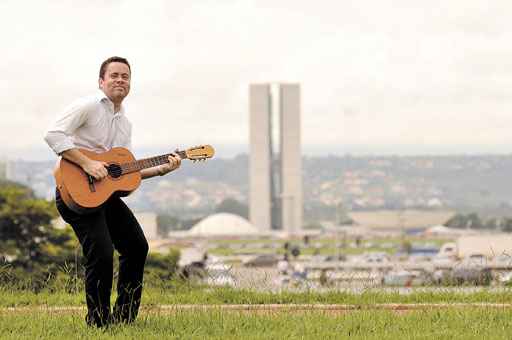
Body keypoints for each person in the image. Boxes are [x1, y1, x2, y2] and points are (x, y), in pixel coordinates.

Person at [44, 56, 181, 327]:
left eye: (125, 76)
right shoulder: (88, 106)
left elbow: (122, 172)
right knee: (102, 253)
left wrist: (161, 169)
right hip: (75, 193)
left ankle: (124, 320)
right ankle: (98, 323)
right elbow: (53, 135)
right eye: (114, 75)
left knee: (137, 246)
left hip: (104, 196)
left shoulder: (124, 124)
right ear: (101, 81)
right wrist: (87, 163)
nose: (120, 80)